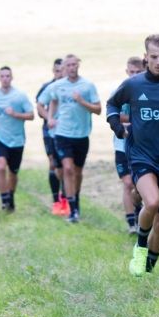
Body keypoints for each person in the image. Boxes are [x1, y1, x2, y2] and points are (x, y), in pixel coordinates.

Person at [107, 34, 159, 276]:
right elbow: (112, 105)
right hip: (142, 155)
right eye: (154, 57)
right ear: (145, 57)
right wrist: (119, 129)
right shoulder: (134, 84)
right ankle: (140, 248)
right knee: (152, 202)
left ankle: (148, 268)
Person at [45, 54, 101, 223]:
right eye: (68, 65)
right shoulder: (58, 85)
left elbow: (98, 109)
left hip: (82, 135)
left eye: (74, 64)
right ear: (64, 67)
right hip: (62, 133)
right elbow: (53, 101)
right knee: (67, 169)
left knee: (77, 172)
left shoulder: (88, 86)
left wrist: (82, 101)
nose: (71, 67)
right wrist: (50, 118)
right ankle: (72, 209)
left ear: (78, 65)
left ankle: (75, 198)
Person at [0, 66, 34, 212]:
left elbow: (31, 115)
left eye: (7, 76)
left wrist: (16, 114)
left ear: (11, 77)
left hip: (16, 139)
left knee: (13, 172)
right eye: (2, 76)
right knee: (1, 166)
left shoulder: (19, 96)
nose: (5, 79)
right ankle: (4, 199)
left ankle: (10, 196)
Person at [112, 57, 145, 234]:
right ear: (126, 72)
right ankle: (131, 223)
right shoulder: (119, 91)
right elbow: (113, 115)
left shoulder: (146, 92)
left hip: (141, 146)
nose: (134, 75)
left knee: (139, 185)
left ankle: (140, 215)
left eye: (137, 72)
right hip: (121, 146)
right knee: (127, 183)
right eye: (131, 72)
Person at [36, 59, 67, 215]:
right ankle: (56, 200)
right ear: (53, 71)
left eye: (62, 70)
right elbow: (39, 106)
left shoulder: (70, 87)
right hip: (50, 131)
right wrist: (49, 118)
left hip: (68, 131)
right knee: (53, 164)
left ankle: (66, 198)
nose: (59, 73)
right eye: (57, 70)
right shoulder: (47, 87)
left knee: (67, 166)